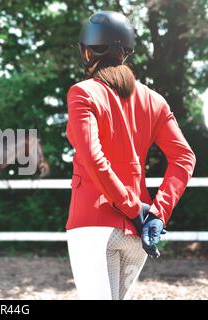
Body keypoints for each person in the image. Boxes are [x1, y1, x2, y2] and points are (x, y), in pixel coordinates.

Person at [65, 11, 196, 300]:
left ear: (87, 52)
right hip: (139, 232)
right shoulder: (155, 100)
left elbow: (92, 157)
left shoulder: (83, 93)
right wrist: (158, 213)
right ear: (125, 52)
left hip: (94, 223)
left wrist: (130, 207)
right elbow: (185, 157)